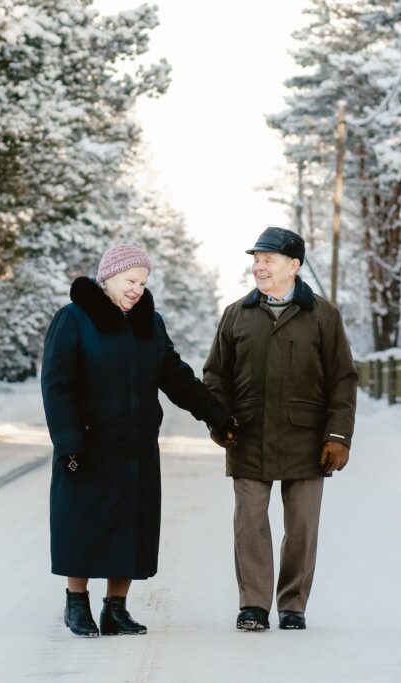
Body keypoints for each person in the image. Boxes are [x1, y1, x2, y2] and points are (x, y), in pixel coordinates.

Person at [42, 244, 237, 638]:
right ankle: (76, 603)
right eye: (130, 281)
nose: (136, 289)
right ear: (109, 278)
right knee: (82, 524)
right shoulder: (74, 319)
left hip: (136, 447)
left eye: (143, 282)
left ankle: (116, 608)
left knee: (131, 526)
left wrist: (216, 415)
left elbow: (177, 378)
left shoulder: (150, 323)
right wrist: (68, 443)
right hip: (88, 446)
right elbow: (56, 385)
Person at [203, 227, 357, 631]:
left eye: (267, 259)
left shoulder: (323, 315)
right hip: (247, 435)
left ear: (294, 265)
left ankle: (293, 605)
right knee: (249, 522)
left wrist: (338, 436)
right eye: (256, 260)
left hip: (307, 439)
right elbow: (215, 374)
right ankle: (253, 604)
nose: (259, 267)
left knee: (302, 526)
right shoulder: (236, 314)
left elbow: (342, 378)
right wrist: (219, 419)